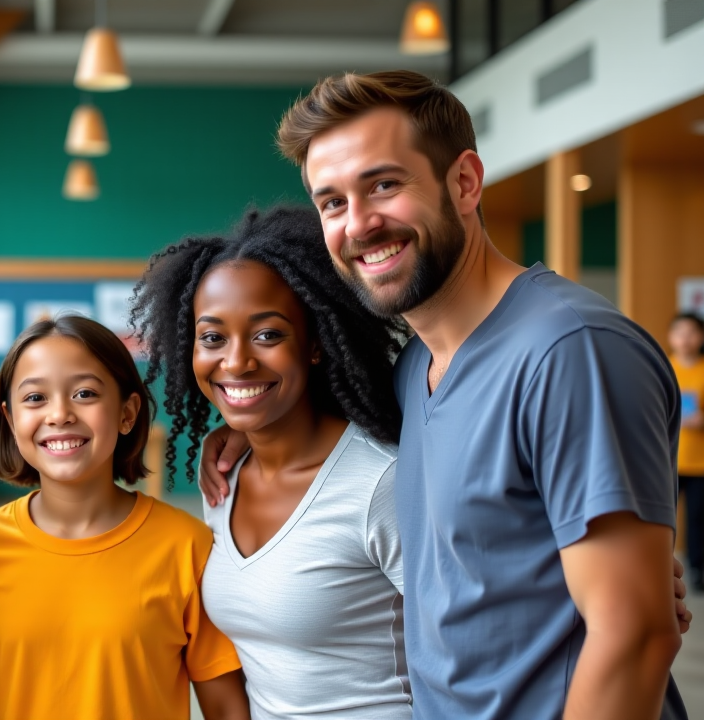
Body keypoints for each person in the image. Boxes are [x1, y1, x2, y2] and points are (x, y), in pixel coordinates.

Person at [197, 71, 687, 719]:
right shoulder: (418, 368)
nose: (360, 224)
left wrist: (641, 585)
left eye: (384, 185)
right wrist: (249, 427)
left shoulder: (569, 349)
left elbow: (636, 634)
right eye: (333, 202)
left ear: (464, 182)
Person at [130, 204, 412, 719]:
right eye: (212, 337)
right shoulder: (224, 479)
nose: (236, 361)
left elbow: (469, 649)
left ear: (315, 346)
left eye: (267, 334)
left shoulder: (380, 484)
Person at [0, 316, 249, 720]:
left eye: (84, 393)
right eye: (35, 398)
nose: (59, 414)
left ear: (127, 413)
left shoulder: (187, 546)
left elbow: (225, 707)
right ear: (10, 422)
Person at [669, 312, 704, 591]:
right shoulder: (662, 366)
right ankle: (660, 567)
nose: (685, 339)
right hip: (667, 460)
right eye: (680, 332)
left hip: (700, 462)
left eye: (691, 332)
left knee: (698, 520)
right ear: (671, 337)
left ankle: (697, 570)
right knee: (662, 517)